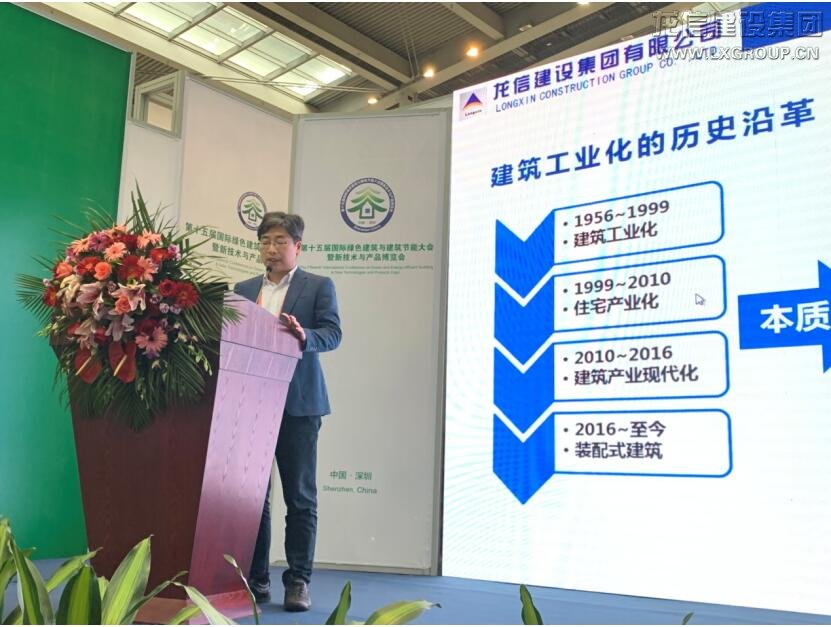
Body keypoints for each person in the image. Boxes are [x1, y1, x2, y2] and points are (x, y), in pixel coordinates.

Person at [233, 211, 341, 612]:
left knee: (300, 497)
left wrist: (303, 335)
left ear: (298, 247)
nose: (272, 249)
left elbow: (332, 333)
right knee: (253, 499)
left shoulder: (318, 286)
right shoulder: (243, 289)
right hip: (251, 404)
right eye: (265, 241)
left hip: (298, 404)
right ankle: (256, 579)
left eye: (280, 241)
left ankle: (298, 580)